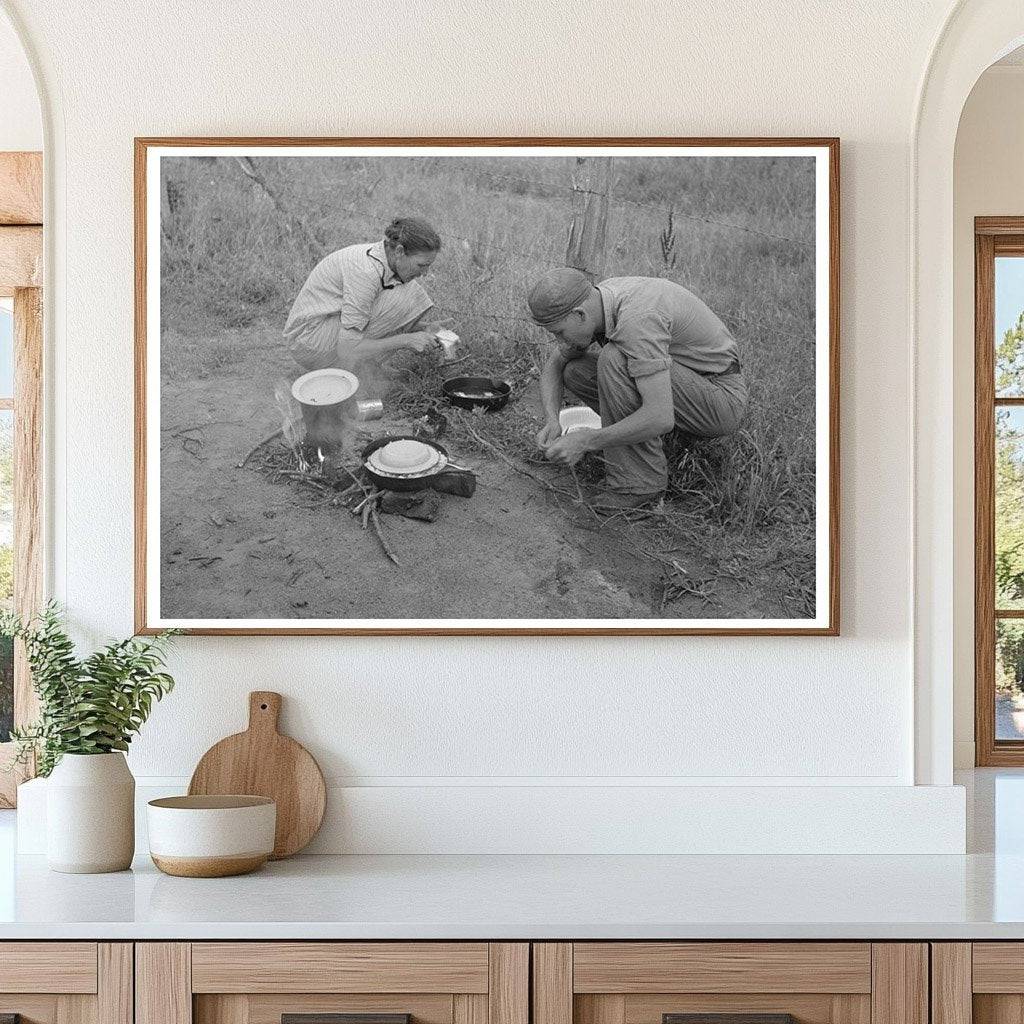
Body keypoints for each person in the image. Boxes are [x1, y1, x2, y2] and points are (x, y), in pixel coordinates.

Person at [527, 267, 748, 511]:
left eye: (559, 333)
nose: (560, 341)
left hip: (720, 400)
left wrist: (585, 441)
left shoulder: (637, 320)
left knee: (613, 359)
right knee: (575, 370)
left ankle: (640, 485)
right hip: (685, 386)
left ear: (579, 314)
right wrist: (552, 420)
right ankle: (648, 445)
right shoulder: (599, 301)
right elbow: (555, 365)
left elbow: (660, 417)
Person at [283, 217, 443, 372]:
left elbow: (370, 313)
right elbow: (347, 349)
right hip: (308, 341)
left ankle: (365, 370)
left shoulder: (383, 258)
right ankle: (349, 371)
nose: (425, 273)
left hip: (323, 326)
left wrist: (423, 328)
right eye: (421, 265)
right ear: (399, 251)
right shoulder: (366, 273)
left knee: (408, 292)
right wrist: (406, 340)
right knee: (406, 297)